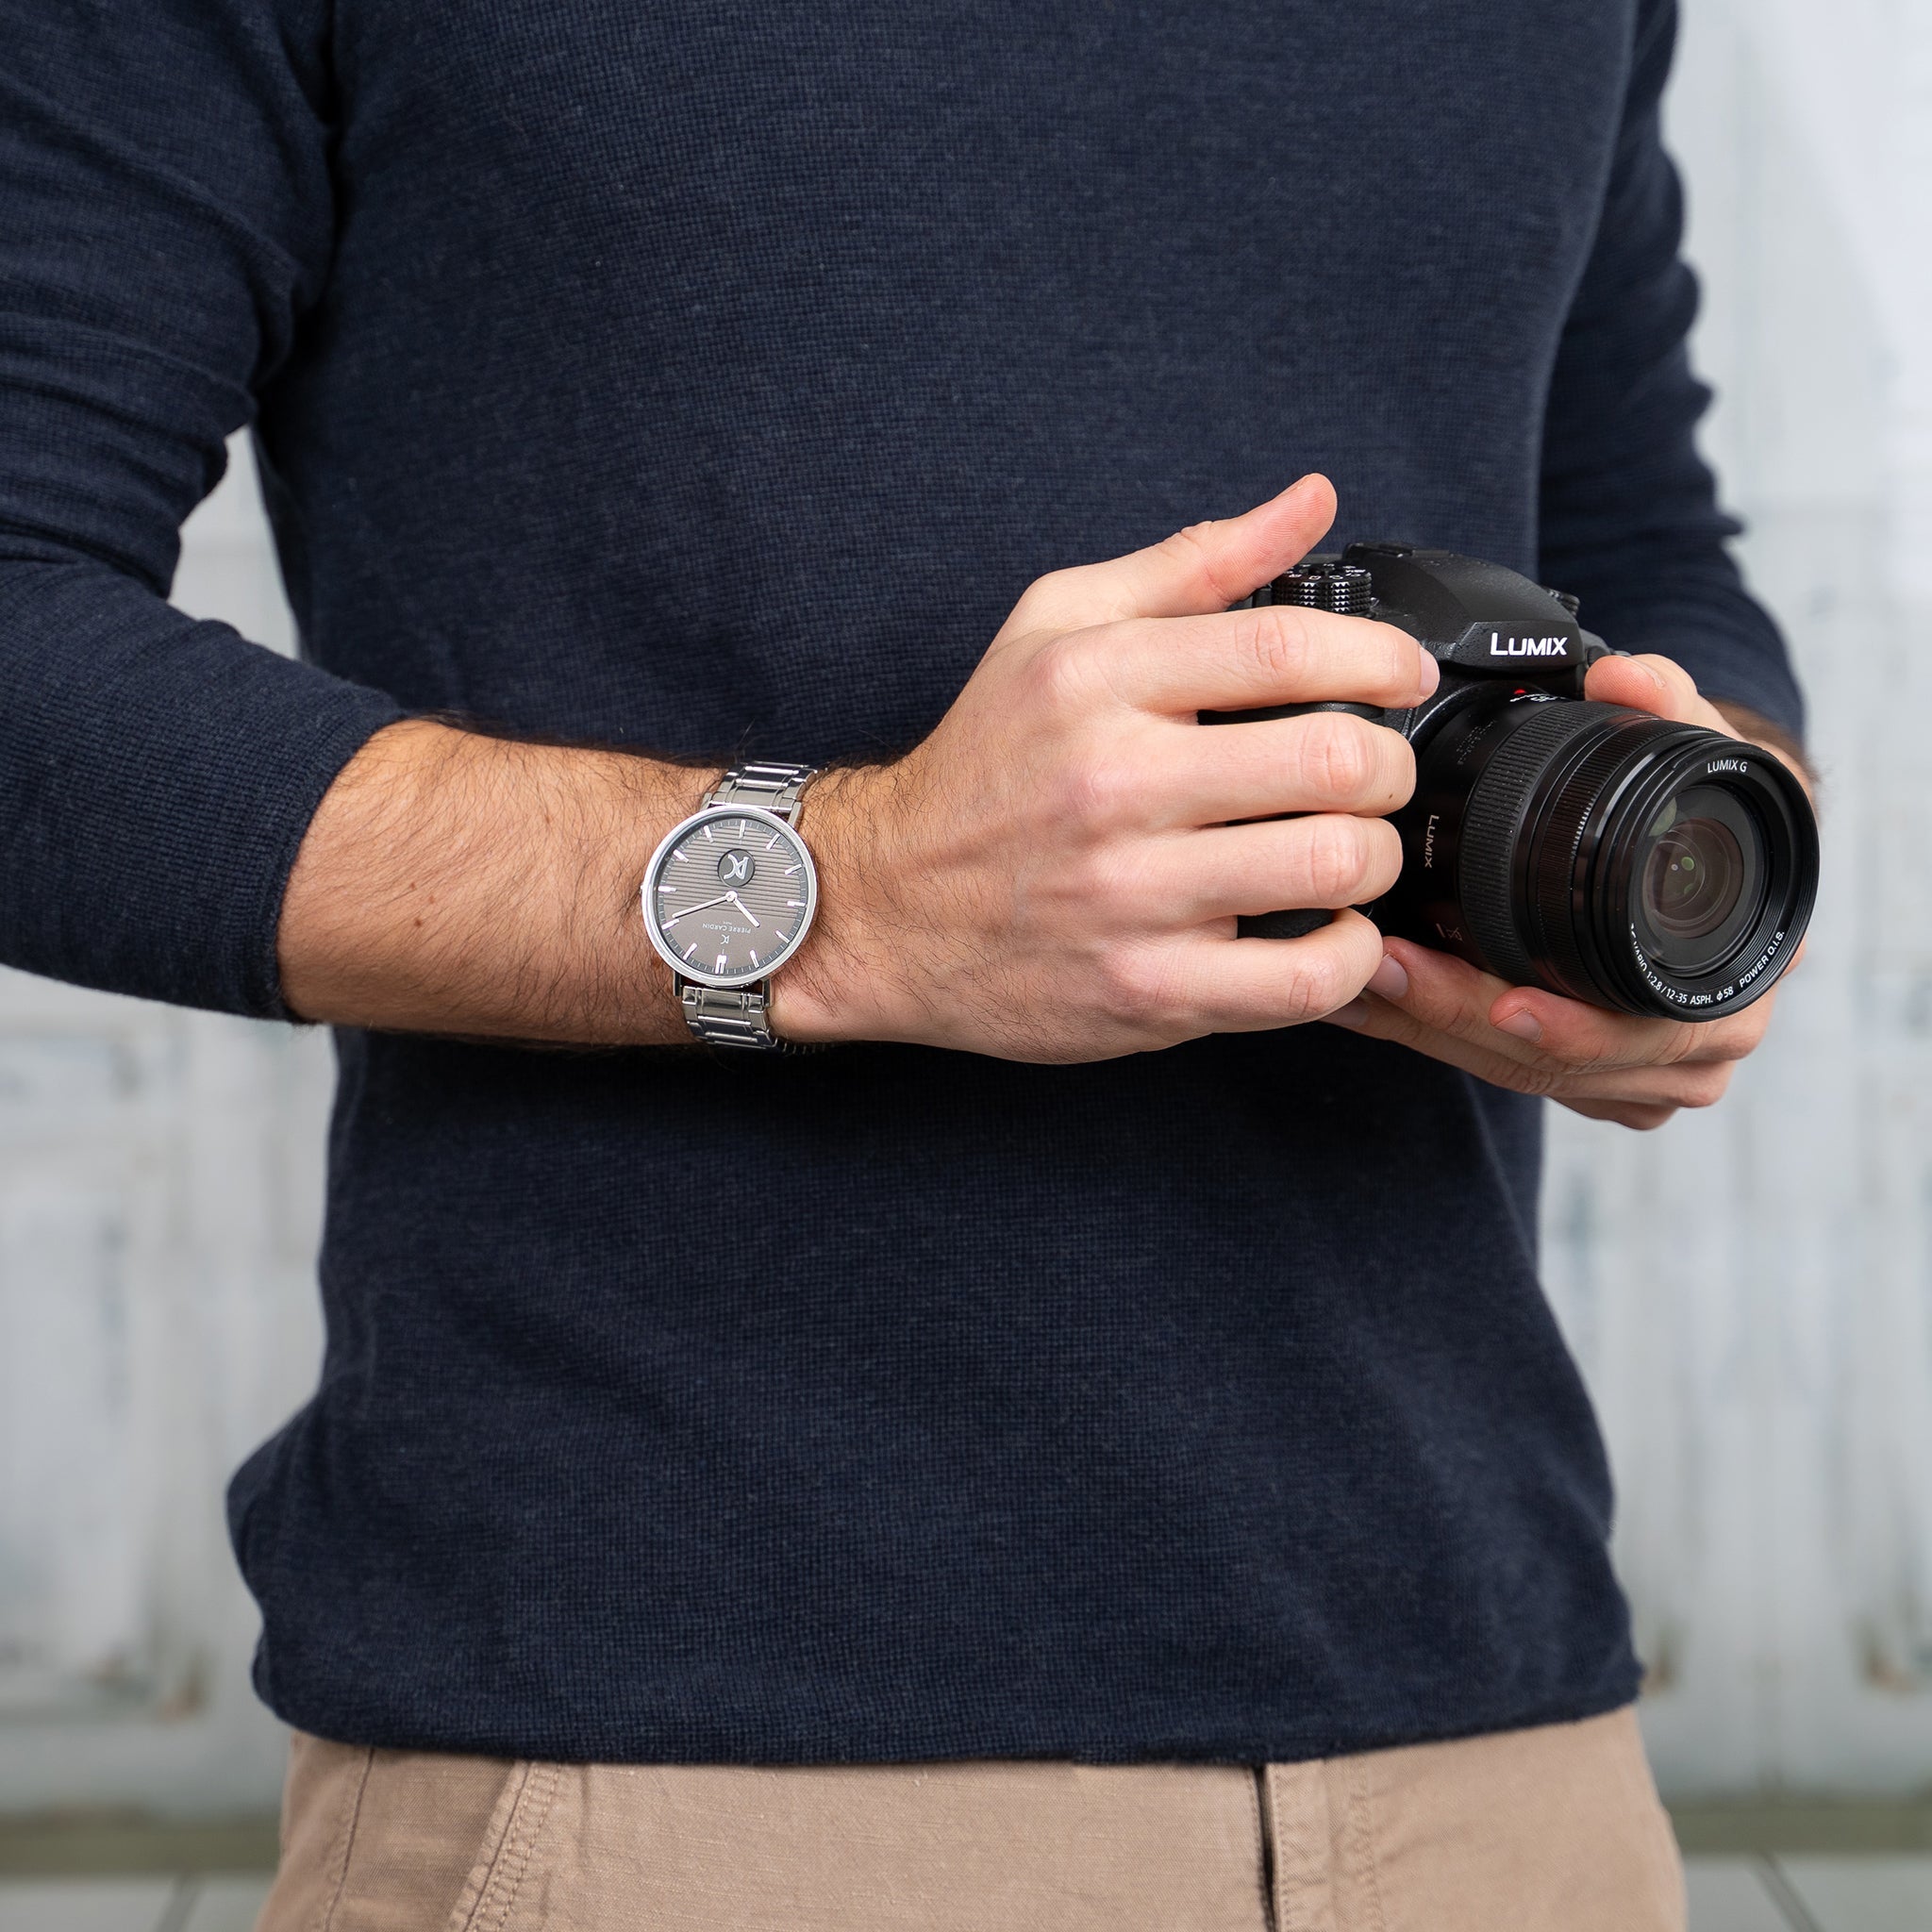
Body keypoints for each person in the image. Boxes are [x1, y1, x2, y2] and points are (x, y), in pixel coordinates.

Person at [0, 1, 1809, 1926]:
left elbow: (1646, 547)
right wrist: (845, 890)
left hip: (1495, 1755)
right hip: (661, 1770)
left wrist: (1690, 845)